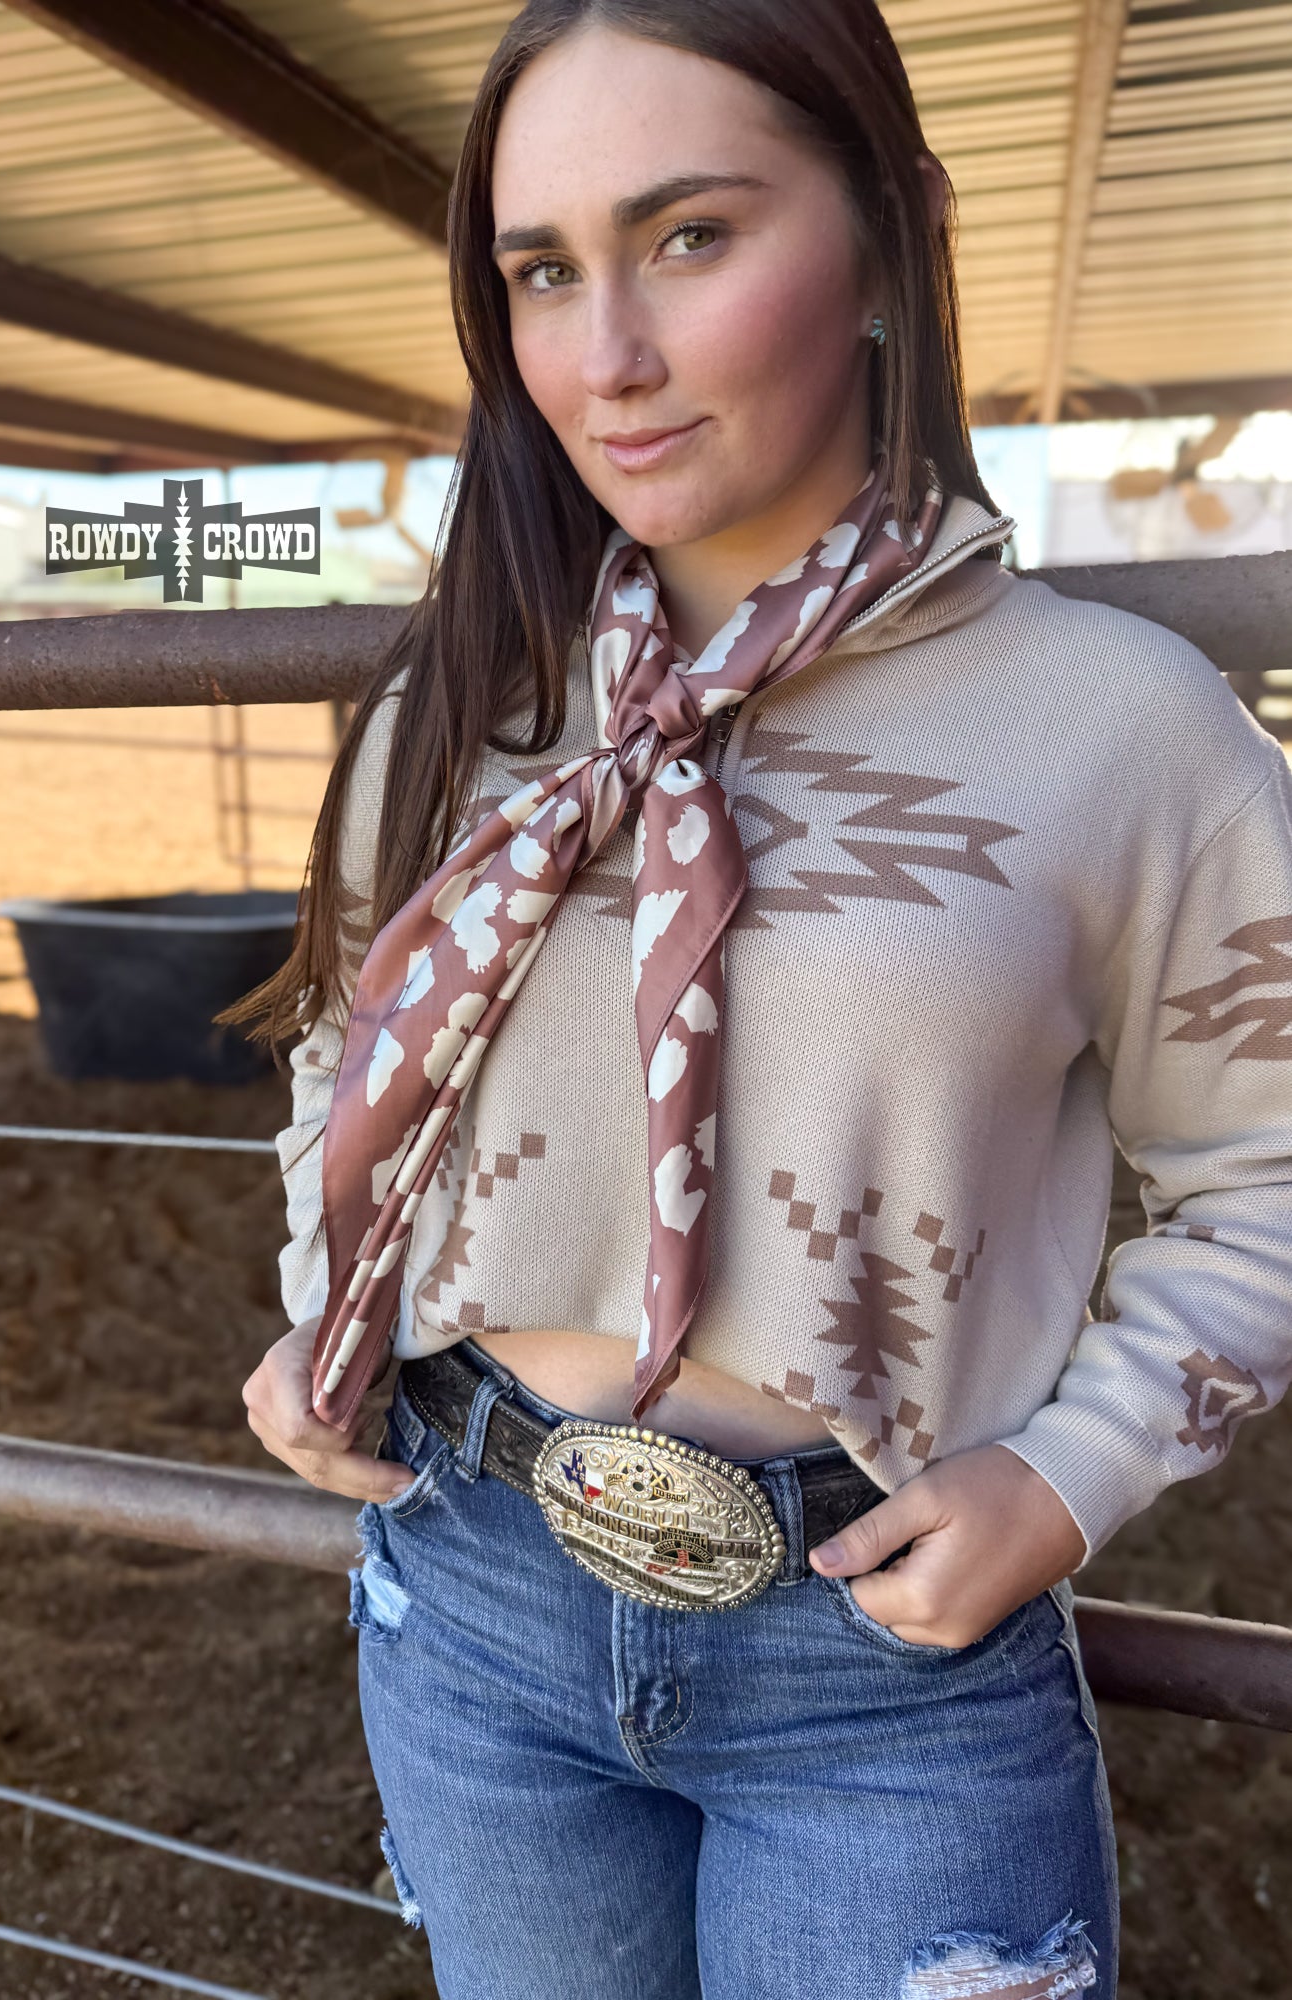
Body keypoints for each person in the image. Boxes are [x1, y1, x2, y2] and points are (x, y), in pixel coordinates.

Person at [236, 4, 1292, 1995]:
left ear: (892, 232)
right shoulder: (458, 709)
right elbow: (345, 1052)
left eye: (691, 236)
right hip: (470, 1593)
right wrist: (325, 1297)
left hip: (876, 1654)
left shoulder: (1118, 729)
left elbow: (1274, 1167)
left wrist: (1073, 1471)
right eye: (542, 271)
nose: (604, 355)